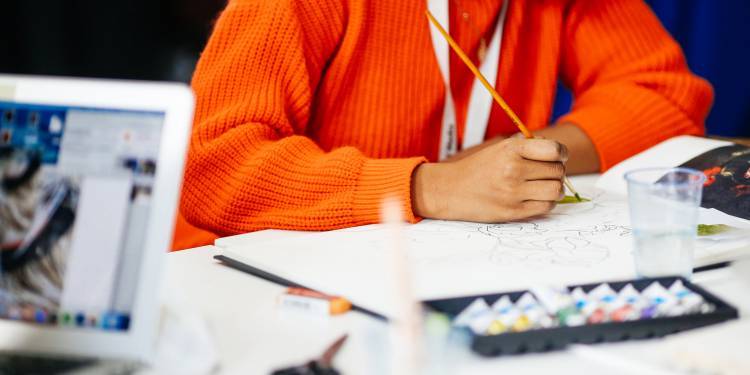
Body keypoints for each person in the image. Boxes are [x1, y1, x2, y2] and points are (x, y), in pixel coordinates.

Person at [172, 0, 713, 250]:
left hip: (441, 269)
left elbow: (665, 92)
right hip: (241, 284)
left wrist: (530, 152)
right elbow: (213, 168)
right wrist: (428, 186)